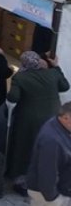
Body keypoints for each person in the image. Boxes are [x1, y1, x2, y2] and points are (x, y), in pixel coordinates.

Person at [7, 52, 70, 183]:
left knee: (25, 147)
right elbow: (65, 86)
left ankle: (21, 177)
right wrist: (56, 67)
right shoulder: (52, 73)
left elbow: (13, 97)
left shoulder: (20, 77)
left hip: (28, 119)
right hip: (53, 116)